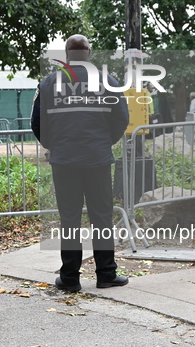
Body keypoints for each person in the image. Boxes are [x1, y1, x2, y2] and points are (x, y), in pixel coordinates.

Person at [31, 34, 130, 292]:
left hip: (64, 161)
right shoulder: (108, 81)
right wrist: (104, 142)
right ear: (88, 53)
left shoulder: (49, 82)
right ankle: (106, 274)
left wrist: (54, 145)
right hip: (97, 159)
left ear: (66, 54)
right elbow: (121, 118)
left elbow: (37, 122)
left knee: (70, 218)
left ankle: (70, 278)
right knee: (102, 217)